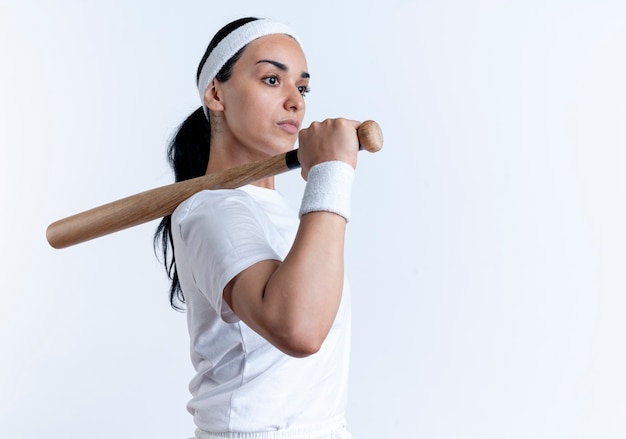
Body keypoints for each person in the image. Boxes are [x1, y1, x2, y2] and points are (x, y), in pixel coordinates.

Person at [154, 16, 362, 439]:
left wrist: (327, 176)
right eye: (272, 80)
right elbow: (299, 329)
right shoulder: (213, 209)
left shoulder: (274, 211)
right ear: (216, 93)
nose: (296, 102)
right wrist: (332, 173)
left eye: (302, 88)